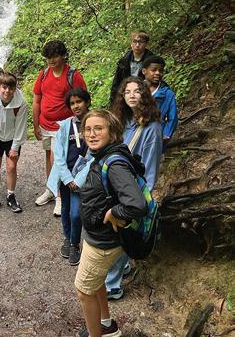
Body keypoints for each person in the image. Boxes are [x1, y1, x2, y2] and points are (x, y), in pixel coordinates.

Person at [76, 109, 147, 337]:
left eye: (99, 128)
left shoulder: (114, 164)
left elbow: (137, 204)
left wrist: (115, 212)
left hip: (104, 241)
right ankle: (105, 324)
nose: (92, 134)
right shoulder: (103, 155)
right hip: (97, 235)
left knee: (84, 291)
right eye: (88, 129)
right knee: (96, 282)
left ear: (112, 132)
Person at [105, 76, 162, 301]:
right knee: (117, 228)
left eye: (136, 91)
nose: (131, 95)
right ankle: (124, 266)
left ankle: (112, 285)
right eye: (127, 91)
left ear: (144, 95)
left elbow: (151, 164)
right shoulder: (121, 120)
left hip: (132, 187)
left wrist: (142, 194)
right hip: (116, 182)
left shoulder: (151, 128)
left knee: (121, 230)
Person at [33, 40, 86, 216]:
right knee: (49, 157)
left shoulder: (73, 75)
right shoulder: (43, 74)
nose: (51, 60)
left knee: (58, 159)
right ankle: (51, 189)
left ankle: (60, 197)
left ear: (63, 56)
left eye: (55, 56)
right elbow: (37, 100)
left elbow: (82, 99)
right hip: (45, 124)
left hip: (64, 126)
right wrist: (35, 124)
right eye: (48, 57)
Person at [47, 88, 90, 266]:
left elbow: (94, 155)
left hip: (81, 178)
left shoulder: (93, 123)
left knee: (76, 213)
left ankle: (75, 243)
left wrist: (77, 180)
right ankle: (68, 238)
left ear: (87, 102)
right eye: (72, 103)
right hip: (65, 176)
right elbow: (58, 154)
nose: (76, 106)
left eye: (79, 102)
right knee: (65, 209)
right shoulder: (66, 125)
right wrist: (67, 178)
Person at [0, 72, 27, 214]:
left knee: (11, 167)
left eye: (11, 88)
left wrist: (15, 147)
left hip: (13, 137)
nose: (7, 91)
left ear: (15, 88)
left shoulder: (21, 103)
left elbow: (20, 126)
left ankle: (10, 195)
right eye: (4, 87)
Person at [142, 55, 178, 152]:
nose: (158, 73)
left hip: (156, 137)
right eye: (154, 70)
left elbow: (173, 118)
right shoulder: (135, 90)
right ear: (144, 71)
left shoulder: (167, 94)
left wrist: (166, 134)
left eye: (161, 71)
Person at [109, 31, 154, 105]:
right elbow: (116, 83)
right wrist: (113, 103)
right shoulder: (124, 61)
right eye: (134, 41)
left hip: (144, 99)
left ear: (146, 44)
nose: (137, 45)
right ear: (131, 43)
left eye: (141, 42)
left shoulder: (151, 61)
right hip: (125, 98)